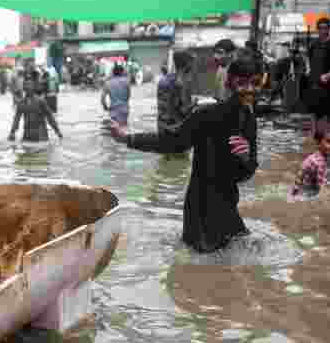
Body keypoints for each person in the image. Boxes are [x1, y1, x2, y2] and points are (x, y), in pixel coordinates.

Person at [111, 49, 262, 253]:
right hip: (201, 209)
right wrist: (127, 138)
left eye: (254, 83)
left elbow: (245, 174)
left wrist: (245, 158)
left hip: (227, 207)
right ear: (230, 83)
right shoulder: (206, 114)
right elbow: (171, 142)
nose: (249, 89)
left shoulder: (249, 122)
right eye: (242, 83)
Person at [291, 121, 330, 199]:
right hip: (307, 193)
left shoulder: (313, 157)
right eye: (329, 142)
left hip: (301, 190)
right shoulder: (320, 162)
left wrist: (295, 190)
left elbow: (300, 174)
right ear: (318, 143)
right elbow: (321, 185)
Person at [9, 73, 63, 142]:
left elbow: (50, 117)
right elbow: (16, 120)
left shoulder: (41, 101)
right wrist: (12, 133)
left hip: (41, 135)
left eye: (30, 85)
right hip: (27, 135)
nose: (28, 87)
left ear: (33, 87)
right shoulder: (21, 103)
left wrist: (58, 132)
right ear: (24, 88)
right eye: (26, 85)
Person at [157, 50, 196, 137]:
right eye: (191, 63)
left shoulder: (164, 80)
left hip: (163, 127)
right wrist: (194, 104)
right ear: (186, 64)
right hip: (175, 130)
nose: (192, 66)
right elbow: (183, 110)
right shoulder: (181, 83)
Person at [101, 63, 131, 131]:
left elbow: (102, 98)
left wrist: (105, 107)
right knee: (124, 128)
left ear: (113, 73)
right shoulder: (127, 82)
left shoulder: (108, 83)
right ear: (122, 72)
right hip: (124, 109)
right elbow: (128, 95)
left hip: (114, 109)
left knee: (115, 129)